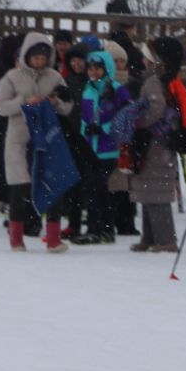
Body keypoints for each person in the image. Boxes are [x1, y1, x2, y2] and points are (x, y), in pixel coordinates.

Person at [0, 31, 74, 252]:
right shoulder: (11, 77)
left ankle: (53, 238)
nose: (39, 62)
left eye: (43, 57)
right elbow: (0, 106)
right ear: (26, 56)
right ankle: (16, 238)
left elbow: (68, 107)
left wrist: (56, 102)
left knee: (53, 187)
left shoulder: (55, 77)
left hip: (47, 140)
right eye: (35, 57)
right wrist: (23, 102)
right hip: (19, 141)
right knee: (20, 190)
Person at [71, 48, 137, 245]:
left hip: (109, 148)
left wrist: (105, 128)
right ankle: (97, 228)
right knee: (92, 189)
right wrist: (85, 134)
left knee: (99, 188)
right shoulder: (88, 90)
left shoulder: (117, 89)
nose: (93, 72)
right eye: (90, 68)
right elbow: (84, 118)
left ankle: (102, 229)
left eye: (98, 69)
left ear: (106, 69)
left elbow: (126, 116)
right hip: (91, 147)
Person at [127, 37, 185, 253]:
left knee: (155, 190)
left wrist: (139, 122)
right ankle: (150, 237)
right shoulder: (162, 79)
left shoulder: (153, 81)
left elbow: (157, 107)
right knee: (150, 190)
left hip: (154, 143)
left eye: (145, 57)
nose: (142, 60)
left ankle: (165, 239)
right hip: (160, 143)